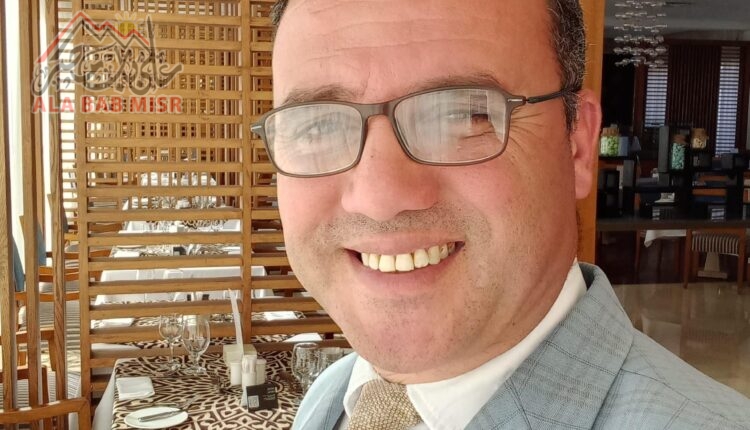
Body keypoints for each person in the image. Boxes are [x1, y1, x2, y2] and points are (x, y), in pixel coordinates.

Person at [251, 0, 750, 428]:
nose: (379, 197)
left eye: (464, 114)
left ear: (577, 145)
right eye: (316, 126)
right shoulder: (334, 395)